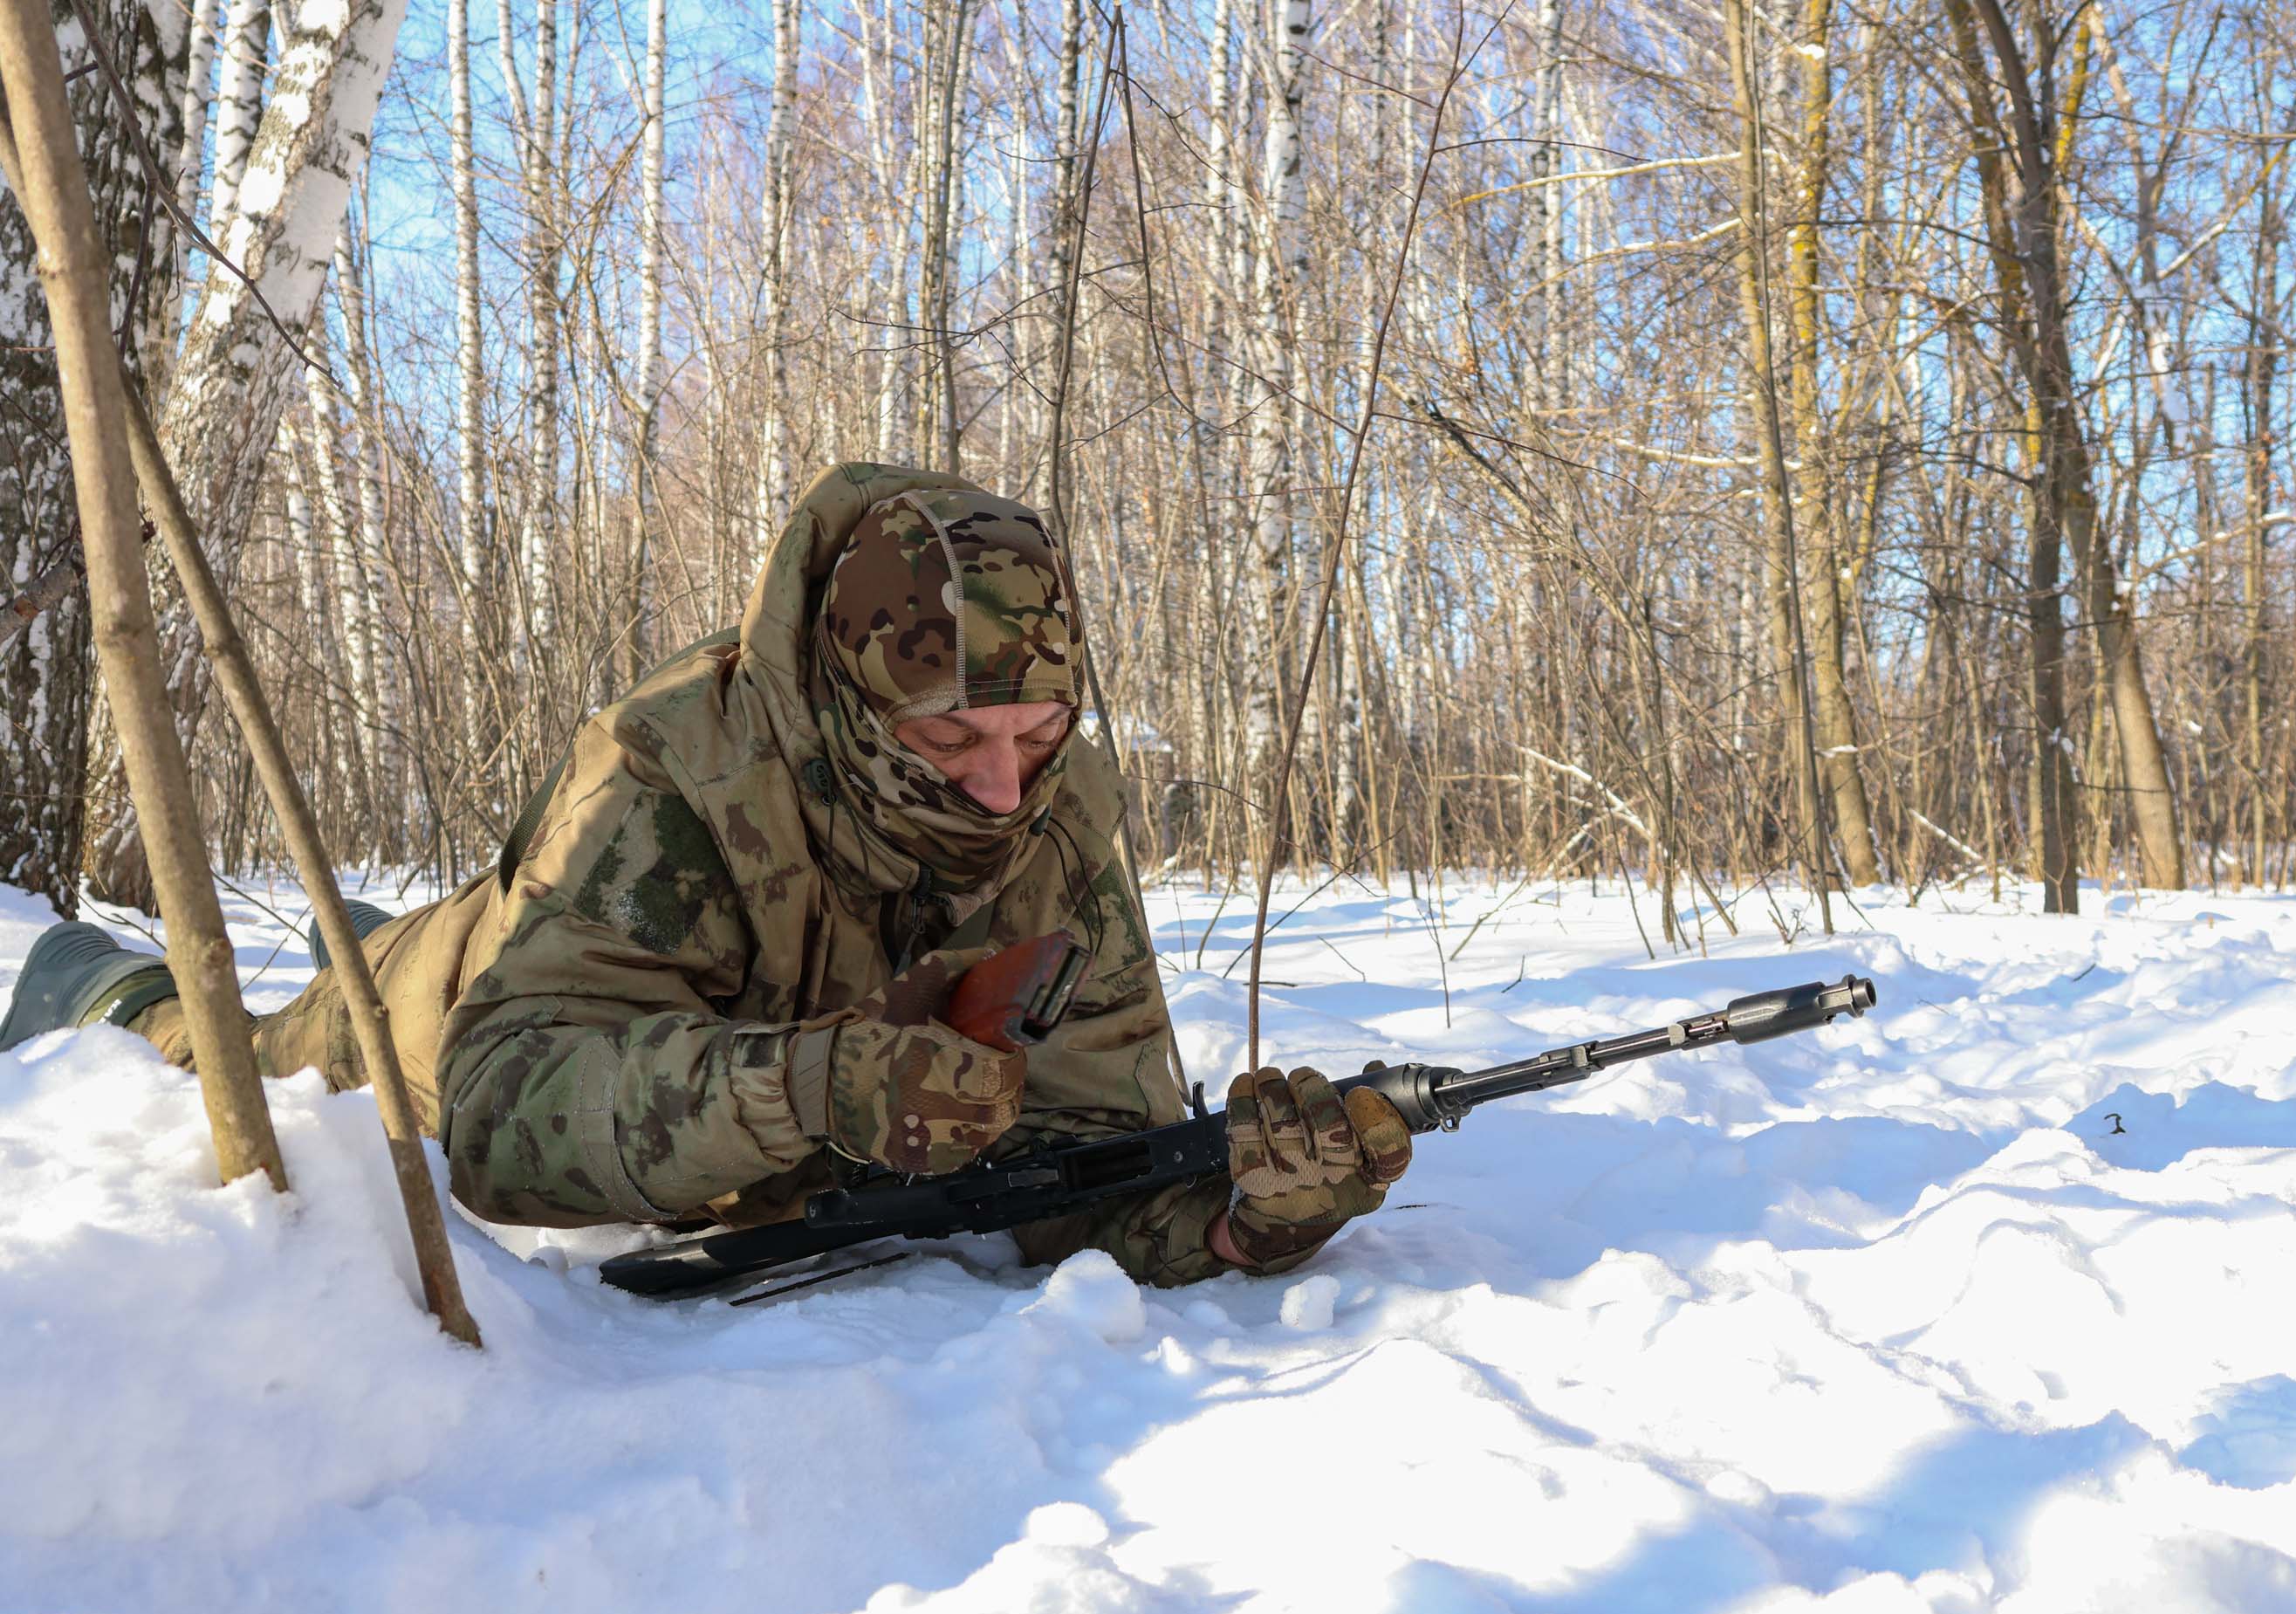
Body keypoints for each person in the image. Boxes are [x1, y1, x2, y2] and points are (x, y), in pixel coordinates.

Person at [0, 464, 1414, 1286]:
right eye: (952, 739)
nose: (1004, 787)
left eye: (1038, 735)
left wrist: (1245, 1217)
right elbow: (499, 1116)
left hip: (590, 968)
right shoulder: (674, 772)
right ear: (853, 704)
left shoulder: (1059, 812)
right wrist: (812, 1090)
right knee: (246, 1050)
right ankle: (94, 981)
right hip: (458, 1020)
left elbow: (1085, 1153)